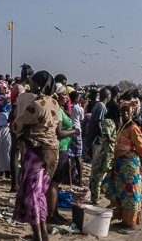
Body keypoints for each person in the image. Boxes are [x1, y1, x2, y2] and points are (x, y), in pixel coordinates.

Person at [12, 71, 61, 241]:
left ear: (39, 86)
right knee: (41, 193)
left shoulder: (37, 105)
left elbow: (17, 124)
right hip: (53, 152)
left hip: (36, 152)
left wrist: (18, 128)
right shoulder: (55, 103)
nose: (29, 85)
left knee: (32, 194)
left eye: (32, 83)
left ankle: (38, 236)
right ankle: (44, 233)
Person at [102, 101, 142, 232]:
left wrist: (128, 153)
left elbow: (141, 148)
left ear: (132, 112)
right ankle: (124, 220)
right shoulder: (123, 126)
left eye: (127, 111)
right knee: (122, 192)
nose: (125, 114)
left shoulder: (133, 127)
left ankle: (130, 223)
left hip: (130, 165)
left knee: (131, 193)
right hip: (121, 164)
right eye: (122, 111)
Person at [48, 83, 79, 224]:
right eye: (64, 94)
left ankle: (55, 212)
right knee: (54, 183)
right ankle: (51, 215)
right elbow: (59, 133)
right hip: (60, 148)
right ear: (57, 95)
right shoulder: (58, 110)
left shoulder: (59, 109)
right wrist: (74, 131)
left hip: (62, 148)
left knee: (56, 183)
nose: (67, 97)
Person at [88, 91, 116, 205]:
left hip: (99, 141)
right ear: (108, 96)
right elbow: (99, 124)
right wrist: (103, 136)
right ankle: (95, 193)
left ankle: (95, 192)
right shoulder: (101, 107)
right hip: (99, 142)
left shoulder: (98, 106)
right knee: (98, 171)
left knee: (97, 170)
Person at [67, 90, 85, 185]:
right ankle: (80, 180)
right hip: (78, 131)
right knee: (78, 156)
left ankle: (69, 180)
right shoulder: (80, 108)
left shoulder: (68, 108)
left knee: (69, 156)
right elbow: (82, 119)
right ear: (77, 98)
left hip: (69, 130)